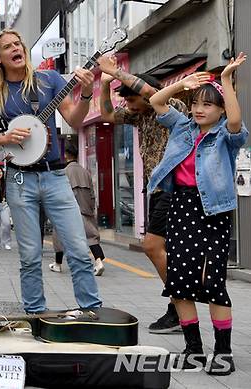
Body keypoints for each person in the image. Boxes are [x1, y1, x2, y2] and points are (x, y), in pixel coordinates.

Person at [0, 29, 102, 314]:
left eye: (19, 43)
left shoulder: (49, 80)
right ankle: (35, 314)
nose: (16, 48)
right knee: (29, 255)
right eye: (8, 46)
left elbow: (75, 120)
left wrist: (87, 92)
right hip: (18, 178)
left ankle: (92, 311)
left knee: (78, 248)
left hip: (55, 175)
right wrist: (3, 139)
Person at [147, 53, 247, 375]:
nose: (199, 109)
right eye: (196, 103)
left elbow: (235, 121)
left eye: (208, 104)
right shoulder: (182, 126)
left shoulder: (226, 138)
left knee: (213, 281)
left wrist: (227, 81)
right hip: (181, 208)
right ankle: (194, 349)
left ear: (218, 109)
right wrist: (181, 86)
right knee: (180, 282)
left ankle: (224, 352)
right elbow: (156, 102)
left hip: (213, 212)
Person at [98, 55, 188, 333]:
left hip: (174, 187)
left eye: (130, 99)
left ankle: (180, 307)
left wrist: (116, 71)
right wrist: (104, 83)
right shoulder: (139, 117)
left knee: (151, 246)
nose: (128, 105)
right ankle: (180, 307)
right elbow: (108, 115)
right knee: (166, 249)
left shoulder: (172, 106)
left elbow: (150, 93)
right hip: (156, 187)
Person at [49, 144, 105, 276]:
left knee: (58, 234)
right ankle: (98, 261)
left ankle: (57, 264)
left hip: (67, 208)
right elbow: (92, 193)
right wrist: (91, 209)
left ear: (66, 155)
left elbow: (59, 193)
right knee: (91, 235)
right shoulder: (85, 171)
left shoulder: (64, 171)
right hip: (85, 208)